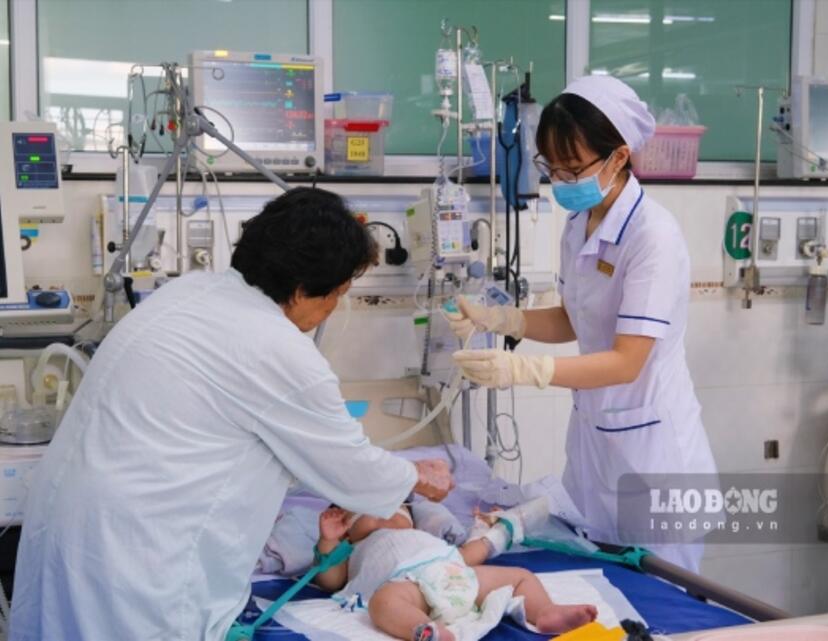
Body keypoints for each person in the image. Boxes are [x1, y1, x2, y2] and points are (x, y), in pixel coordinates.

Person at [10, 187, 453, 641]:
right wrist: (417, 475)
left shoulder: (187, 292)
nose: (332, 310)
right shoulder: (276, 348)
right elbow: (353, 471)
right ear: (301, 290)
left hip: (72, 532)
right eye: (336, 294)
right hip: (139, 561)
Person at [447, 76, 717, 572]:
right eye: (551, 167)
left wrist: (523, 370)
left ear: (618, 157)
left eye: (572, 168)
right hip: (597, 443)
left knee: (664, 590)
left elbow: (627, 361)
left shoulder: (653, 236)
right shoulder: (580, 222)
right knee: (602, 577)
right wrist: (501, 318)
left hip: (653, 456)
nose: (560, 181)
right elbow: (575, 319)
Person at [313, 503, 598, 641]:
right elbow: (331, 580)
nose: (384, 515)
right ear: (348, 531)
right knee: (383, 603)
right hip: (409, 588)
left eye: (395, 509)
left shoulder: (429, 542)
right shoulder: (352, 549)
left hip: (453, 572)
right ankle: (429, 631)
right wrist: (328, 541)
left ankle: (545, 611)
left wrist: (493, 532)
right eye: (368, 512)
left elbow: (474, 552)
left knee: (520, 576)